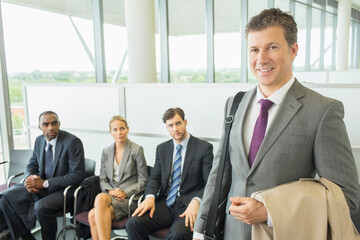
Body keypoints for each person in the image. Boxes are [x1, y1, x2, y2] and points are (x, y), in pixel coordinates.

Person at [193, 8, 359, 240]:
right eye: (254, 50)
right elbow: (218, 174)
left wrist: (270, 211)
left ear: (293, 50)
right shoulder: (234, 104)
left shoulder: (323, 111)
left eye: (272, 47)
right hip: (231, 234)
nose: (261, 59)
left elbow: (346, 197)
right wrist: (200, 230)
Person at [125, 107, 214, 240]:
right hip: (167, 202)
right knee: (133, 224)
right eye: (170, 125)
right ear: (166, 127)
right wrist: (149, 196)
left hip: (189, 205)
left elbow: (210, 182)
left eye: (178, 123)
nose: (175, 129)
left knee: (177, 234)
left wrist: (197, 201)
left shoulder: (203, 148)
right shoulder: (162, 149)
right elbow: (154, 177)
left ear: (185, 122)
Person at [0, 111, 85, 240]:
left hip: (64, 190)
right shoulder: (39, 140)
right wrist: (30, 180)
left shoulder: (72, 142)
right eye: (45, 124)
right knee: (5, 196)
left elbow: (76, 175)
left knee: (41, 207)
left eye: (54, 123)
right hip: (42, 186)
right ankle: (26, 236)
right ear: (40, 126)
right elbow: (31, 165)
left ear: (59, 124)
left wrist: (45, 183)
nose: (50, 128)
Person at [88, 115, 148, 240]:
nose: (119, 132)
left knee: (94, 212)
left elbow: (143, 181)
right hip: (110, 195)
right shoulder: (106, 151)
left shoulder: (136, 150)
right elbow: (103, 179)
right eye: (115, 130)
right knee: (96, 207)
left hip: (129, 198)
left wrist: (124, 192)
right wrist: (111, 191)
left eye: (122, 128)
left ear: (127, 129)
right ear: (110, 132)